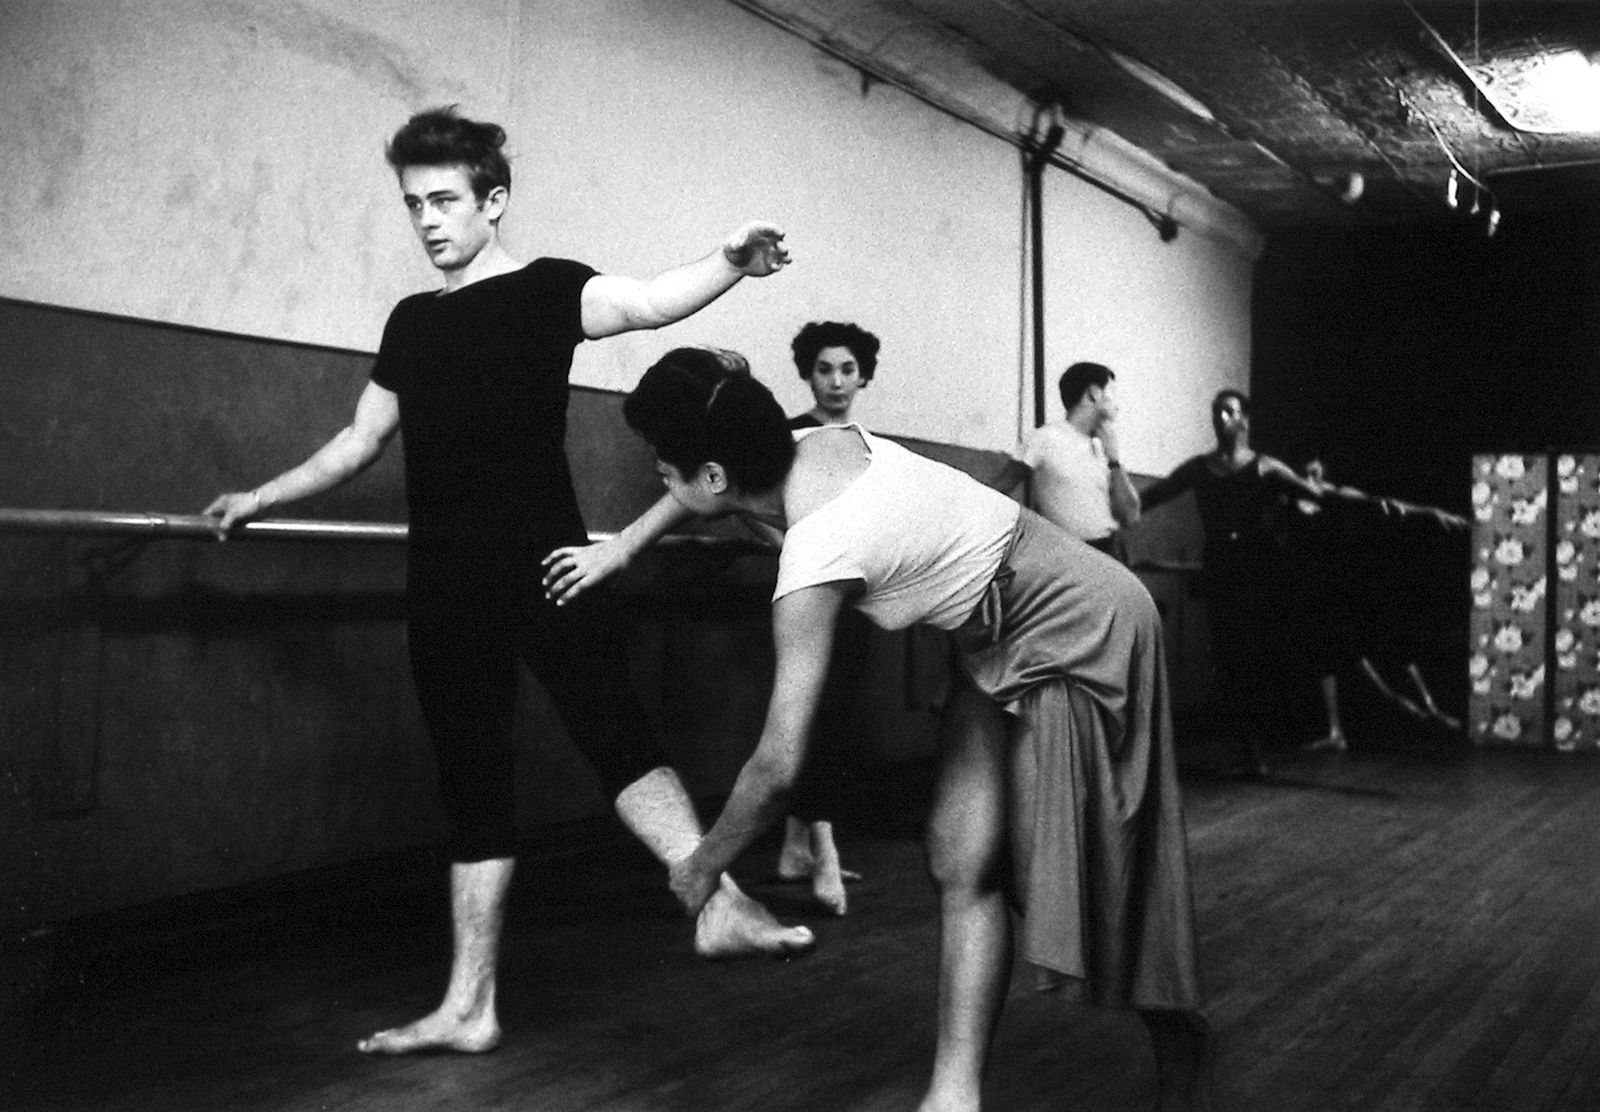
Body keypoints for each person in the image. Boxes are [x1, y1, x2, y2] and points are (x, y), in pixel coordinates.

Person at [202, 107, 810, 1057]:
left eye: (445, 200)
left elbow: (649, 301)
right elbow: (361, 442)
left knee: (613, 729)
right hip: (443, 583)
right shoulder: (411, 321)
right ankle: (469, 1005)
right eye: (414, 205)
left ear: (494, 200)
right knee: (471, 778)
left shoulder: (546, 289)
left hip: (545, 563)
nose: (429, 220)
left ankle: (716, 900)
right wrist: (260, 495)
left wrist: (730, 258)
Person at [544, 348, 1213, 1112]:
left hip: (1082, 622)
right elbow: (708, 473)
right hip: (989, 639)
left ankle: (1180, 1029)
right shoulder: (811, 446)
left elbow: (777, 767)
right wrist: (624, 547)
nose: (660, 481)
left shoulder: (816, 550)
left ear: (715, 478)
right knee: (958, 856)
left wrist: (700, 870)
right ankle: (953, 1097)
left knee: (1062, 869)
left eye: (667, 470)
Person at [1137, 389, 1333, 777]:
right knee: (1228, 657)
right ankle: (1247, 746)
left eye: (1228, 412)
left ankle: (1259, 747)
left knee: (1256, 656)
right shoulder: (1198, 469)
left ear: (1244, 420)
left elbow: (1314, 499)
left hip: (1258, 568)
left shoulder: (1265, 467)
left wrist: (1313, 480)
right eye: (1216, 413)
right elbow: (1152, 497)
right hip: (1222, 569)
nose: (1220, 419)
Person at [777, 321, 883, 913]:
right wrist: (787, 545)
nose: (836, 381)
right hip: (806, 593)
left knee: (834, 711)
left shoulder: (868, 444)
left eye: (846, 370)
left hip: (855, 593)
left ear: (862, 374)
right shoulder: (790, 435)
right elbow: (741, 502)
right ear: (807, 373)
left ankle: (795, 848)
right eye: (824, 369)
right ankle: (825, 850)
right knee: (818, 714)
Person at [1008, 361, 1142, 558]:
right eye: (1112, 393)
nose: (1118, 406)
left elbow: (1131, 516)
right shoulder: (1046, 437)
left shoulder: (1102, 446)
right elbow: (1001, 485)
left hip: (1111, 554)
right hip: (1069, 556)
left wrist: (1114, 460)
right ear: (1095, 393)